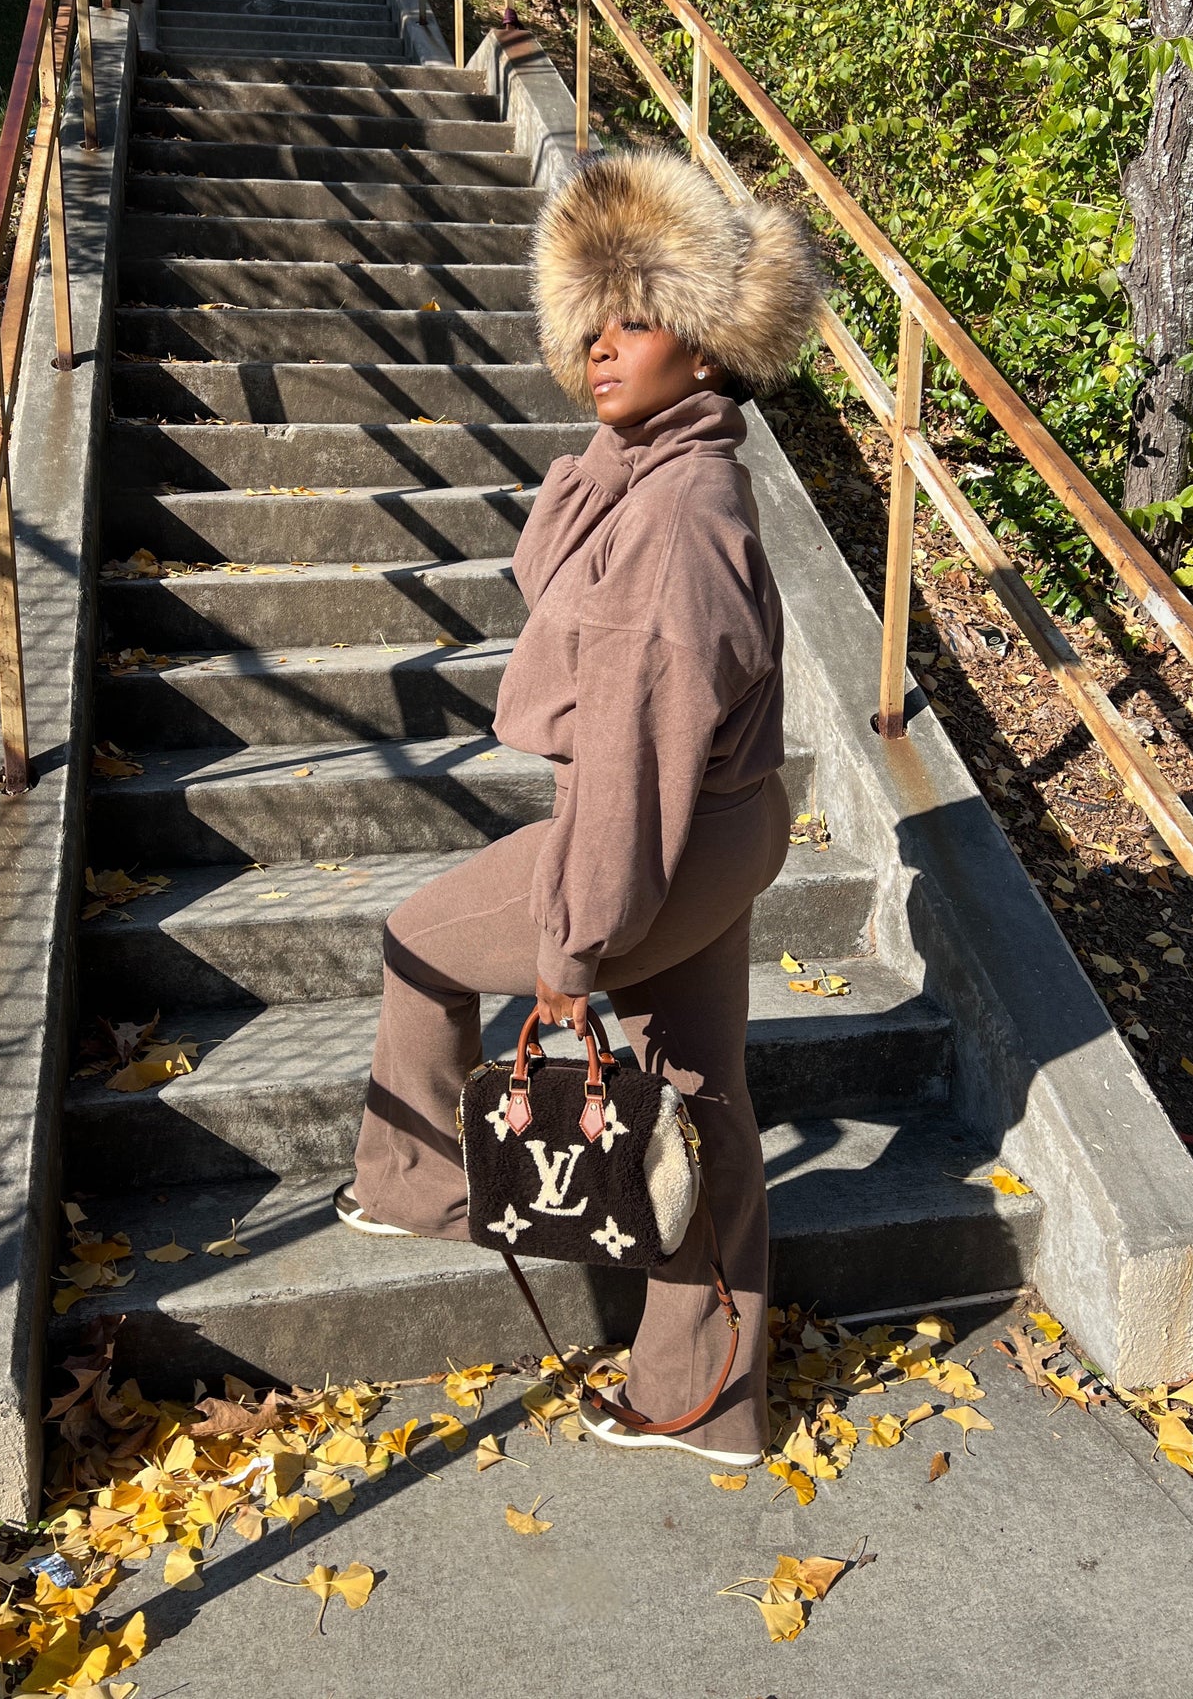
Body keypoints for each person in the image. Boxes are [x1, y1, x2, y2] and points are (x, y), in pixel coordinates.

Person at [334, 147, 823, 1464]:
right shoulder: (667, 477)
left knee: (421, 939)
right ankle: (701, 1403)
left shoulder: (674, 522)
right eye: (588, 326)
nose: (603, 350)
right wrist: (605, 452)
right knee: (703, 1105)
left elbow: (626, 755)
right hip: (721, 832)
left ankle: (423, 1185)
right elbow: (551, 573)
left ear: (707, 347)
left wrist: (573, 947)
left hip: (663, 834)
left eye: (638, 321)